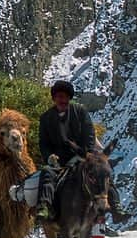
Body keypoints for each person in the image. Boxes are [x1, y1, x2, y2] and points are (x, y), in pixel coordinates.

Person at [34, 80, 128, 223]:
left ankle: (115, 207)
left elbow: (89, 134)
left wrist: (88, 155)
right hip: (59, 161)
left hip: (83, 156)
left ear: (69, 98)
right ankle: (44, 207)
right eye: (59, 97)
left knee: (102, 171)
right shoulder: (46, 118)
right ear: (54, 98)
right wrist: (49, 157)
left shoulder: (80, 112)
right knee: (47, 173)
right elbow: (44, 143)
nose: (62, 100)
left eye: (65, 97)